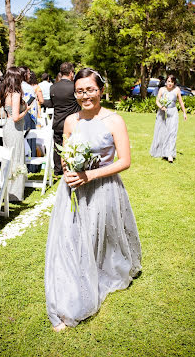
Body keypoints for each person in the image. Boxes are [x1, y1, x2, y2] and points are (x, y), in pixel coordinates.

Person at [45, 67, 142, 331]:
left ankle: (101, 269)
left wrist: (90, 175)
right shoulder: (70, 121)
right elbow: (65, 151)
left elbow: (125, 161)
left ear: (100, 90)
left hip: (104, 189)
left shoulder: (114, 121)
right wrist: (67, 168)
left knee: (99, 238)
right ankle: (71, 288)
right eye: (80, 91)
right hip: (73, 191)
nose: (85, 95)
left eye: (90, 89)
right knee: (71, 239)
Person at [0, 67, 32, 201]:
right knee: (16, 157)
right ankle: (15, 194)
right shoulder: (16, 94)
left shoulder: (6, 92)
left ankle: (7, 190)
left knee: (8, 159)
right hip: (15, 129)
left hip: (7, 128)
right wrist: (27, 110)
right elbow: (16, 117)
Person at [50, 62, 81, 177]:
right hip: (72, 122)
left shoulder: (53, 87)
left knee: (57, 147)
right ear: (71, 73)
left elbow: (53, 104)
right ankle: (72, 166)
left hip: (57, 121)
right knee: (73, 145)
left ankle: (58, 170)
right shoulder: (73, 87)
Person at [150, 74, 187, 163]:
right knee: (162, 132)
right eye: (168, 81)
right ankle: (161, 151)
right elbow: (157, 101)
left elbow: (181, 102)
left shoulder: (177, 90)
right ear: (166, 81)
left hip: (173, 113)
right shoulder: (162, 89)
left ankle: (170, 154)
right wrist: (161, 107)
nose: (170, 84)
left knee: (172, 133)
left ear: (174, 83)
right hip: (162, 113)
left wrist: (184, 113)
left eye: (172, 82)